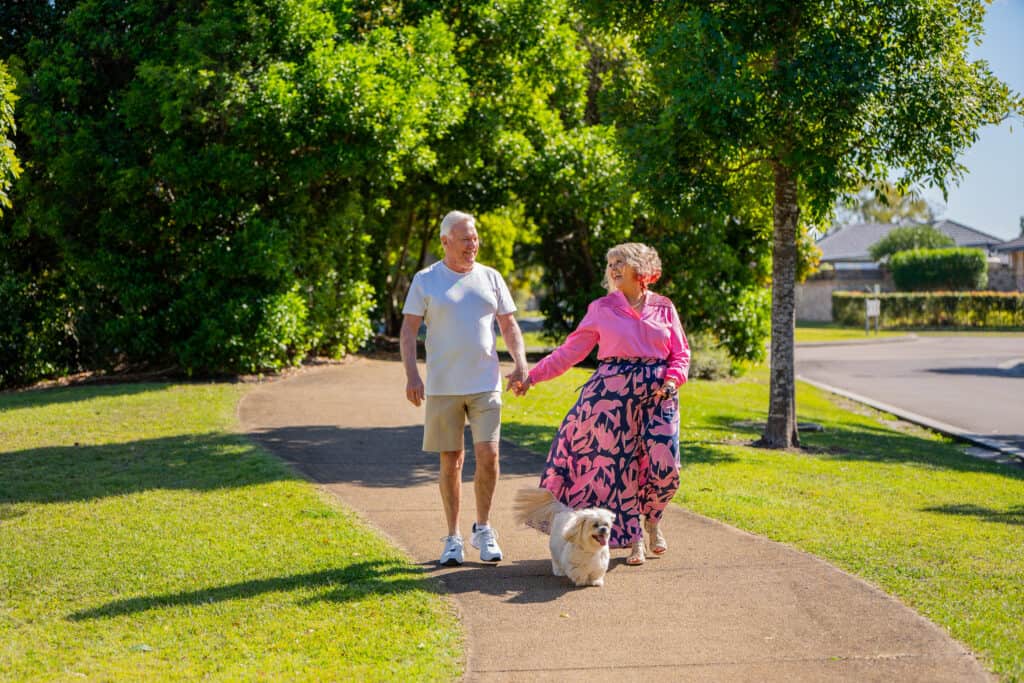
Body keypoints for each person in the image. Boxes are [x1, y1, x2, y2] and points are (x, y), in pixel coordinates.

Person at [514, 242, 689, 566]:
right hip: (609, 398)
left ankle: (653, 519)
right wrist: (532, 377)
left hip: (658, 394)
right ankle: (634, 537)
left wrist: (671, 380)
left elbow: (680, 353)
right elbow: (570, 352)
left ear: (640, 267)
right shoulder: (601, 308)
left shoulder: (664, 307)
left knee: (666, 466)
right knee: (620, 468)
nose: (613, 268)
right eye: (610, 263)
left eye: (620, 262)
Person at [401, 210, 529, 566]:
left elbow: (509, 325)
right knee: (451, 462)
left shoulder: (491, 278)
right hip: (443, 387)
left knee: (489, 455)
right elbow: (409, 331)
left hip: (485, 384)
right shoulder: (426, 280)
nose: (472, 245)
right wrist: (412, 375)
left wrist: (520, 363)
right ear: (445, 242)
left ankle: (483, 529)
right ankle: (453, 537)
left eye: (474, 239)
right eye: (465, 239)